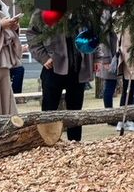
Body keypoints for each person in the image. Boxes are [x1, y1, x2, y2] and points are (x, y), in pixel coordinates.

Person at [26, 11, 95, 141]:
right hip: (53, 67)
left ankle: (75, 143)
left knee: (75, 112)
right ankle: (47, 143)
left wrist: (97, 59)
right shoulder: (43, 10)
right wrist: (43, 57)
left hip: (77, 68)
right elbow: (32, 34)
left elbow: (96, 34)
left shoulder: (83, 10)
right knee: (49, 110)